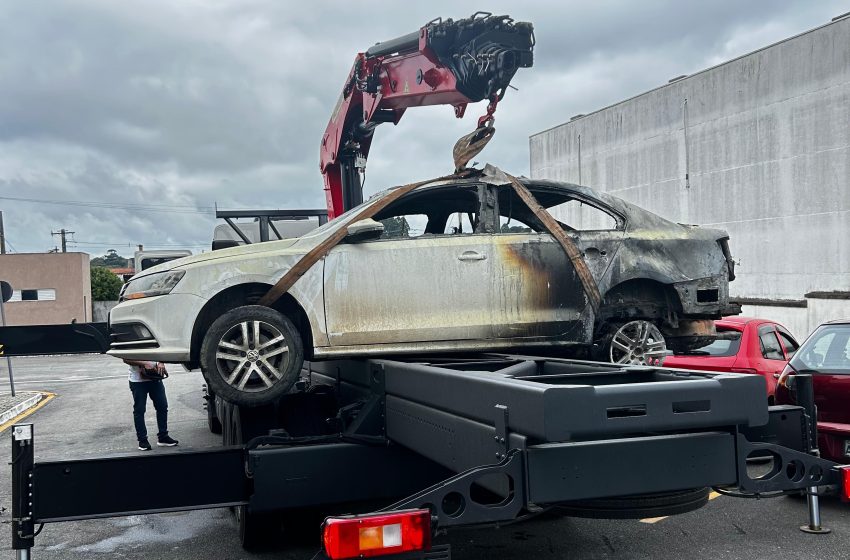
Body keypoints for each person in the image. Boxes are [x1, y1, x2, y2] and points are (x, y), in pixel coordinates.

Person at [124, 359, 179, 450]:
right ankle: (142, 440)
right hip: (138, 381)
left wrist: (161, 362)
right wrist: (145, 363)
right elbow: (125, 359)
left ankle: (163, 436)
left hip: (154, 376)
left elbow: (161, 351)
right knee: (140, 410)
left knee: (162, 406)